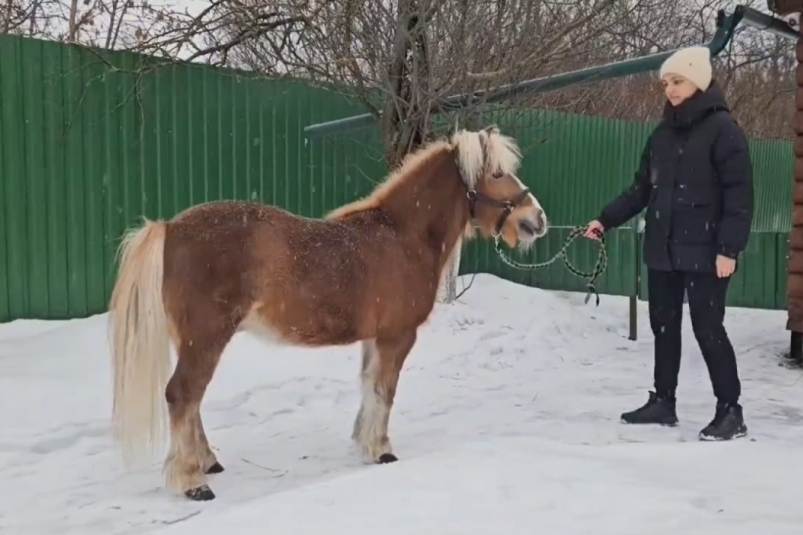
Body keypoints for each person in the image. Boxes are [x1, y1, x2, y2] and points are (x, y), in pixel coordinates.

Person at [584, 46, 753, 441]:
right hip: (663, 249)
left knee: (708, 328)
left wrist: (730, 249)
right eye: (665, 83)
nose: (670, 89)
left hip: (708, 253)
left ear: (697, 80)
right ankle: (664, 401)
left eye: (677, 81)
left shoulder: (725, 131)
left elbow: (739, 197)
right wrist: (604, 219)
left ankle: (731, 410)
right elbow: (641, 189)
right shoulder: (662, 133)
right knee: (664, 326)